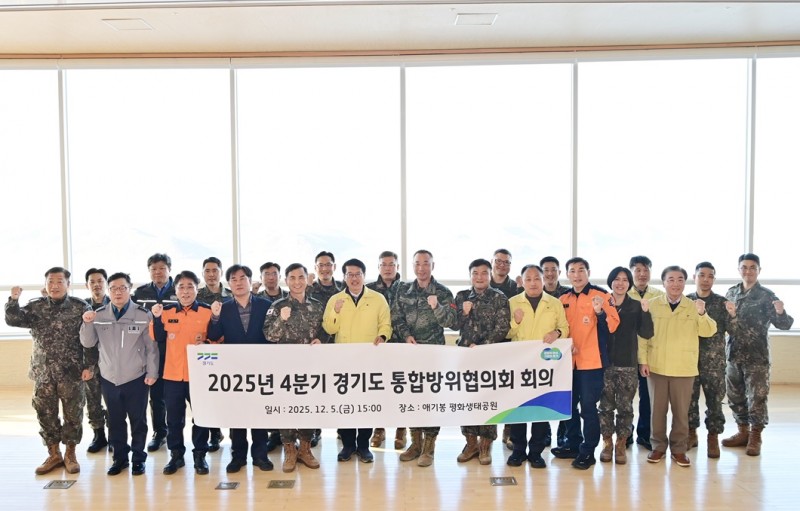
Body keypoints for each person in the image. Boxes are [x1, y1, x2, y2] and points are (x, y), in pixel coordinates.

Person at [5, 267, 92, 475]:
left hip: (71, 372)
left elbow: (90, 338)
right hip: (43, 372)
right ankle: (54, 454)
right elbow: (13, 320)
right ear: (45, 285)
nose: (55, 286)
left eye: (60, 281)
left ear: (68, 284)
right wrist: (13, 300)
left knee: (73, 414)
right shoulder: (36, 306)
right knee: (45, 413)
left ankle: (70, 454)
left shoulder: (80, 307)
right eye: (51, 282)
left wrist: (89, 366)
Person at [80, 272, 158, 476]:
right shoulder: (98, 315)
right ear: (108, 290)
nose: (117, 292)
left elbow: (151, 347)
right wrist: (87, 323)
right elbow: (88, 342)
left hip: (136, 378)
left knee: (138, 421)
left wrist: (152, 372)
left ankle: (138, 459)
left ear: (129, 289)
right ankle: (120, 459)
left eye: (122, 287)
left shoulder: (143, 315)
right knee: (115, 421)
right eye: (113, 288)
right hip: (109, 378)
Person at [640, 266, 716, 468]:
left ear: (685, 282)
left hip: (683, 368)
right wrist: (643, 360)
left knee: (681, 412)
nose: (675, 284)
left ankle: (679, 449)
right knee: (657, 411)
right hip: (657, 366)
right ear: (663, 282)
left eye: (680, 279)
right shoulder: (652, 305)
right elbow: (643, 336)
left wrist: (702, 313)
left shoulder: (693, 306)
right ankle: (658, 446)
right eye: (671, 279)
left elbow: (709, 331)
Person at [722, 253, 794, 456]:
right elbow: (726, 321)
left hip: (757, 356)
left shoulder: (767, 296)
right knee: (735, 396)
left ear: (759, 270)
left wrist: (780, 312)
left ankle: (755, 435)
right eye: (744, 267)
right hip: (734, 354)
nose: (748, 271)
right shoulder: (731, 292)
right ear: (739, 270)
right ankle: (742, 431)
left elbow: (784, 325)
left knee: (757, 397)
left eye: (752, 267)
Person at [552, 257, 620, 470]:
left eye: (581, 270)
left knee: (588, 408)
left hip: (592, 363)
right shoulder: (563, 298)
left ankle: (588, 451)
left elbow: (613, 325)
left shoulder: (602, 295)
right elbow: (556, 327)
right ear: (567, 275)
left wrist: (599, 312)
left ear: (588, 273)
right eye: (572, 271)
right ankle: (573, 444)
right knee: (568, 406)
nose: (577, 274)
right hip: (566, 363)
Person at [323, 258, 392, 464]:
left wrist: (383, 336)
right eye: (350, 275)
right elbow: (329, 328)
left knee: (366, 404)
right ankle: (347, 446)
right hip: (343, 362)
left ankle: (363, 446)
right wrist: (335, 311)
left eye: (358, 274)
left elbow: (386, 324)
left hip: (369, 360)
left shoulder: (377, 298)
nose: (354, 278)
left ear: (364, 275)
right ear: (344, 277)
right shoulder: (335, 299)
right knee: (345, 404)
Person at [392, 249, 457, 467]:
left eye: (426, 263)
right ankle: (415, 443)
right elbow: (396, 317)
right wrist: (406, 335)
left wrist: (436, 306)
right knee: (411, 399)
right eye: (417, 264)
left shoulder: (443, 292)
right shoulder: (403, 290)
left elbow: (452, 322)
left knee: (431, 400)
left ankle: (429, 447)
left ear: (433, 266)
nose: (421, 268)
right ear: (413, 266)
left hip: (433, 355)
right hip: (409, 354)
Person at [207, 264, 274, 473]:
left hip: (260, 369)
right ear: (229, 284)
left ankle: (260, 456)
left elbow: (272, 336)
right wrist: (215, 317)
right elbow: (214, 335)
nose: (238, 283)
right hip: (234, 371)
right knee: (236, 415)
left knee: (259, 413)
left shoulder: (266, 305)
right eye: (233, 279)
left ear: (250, 281)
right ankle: (238, 457)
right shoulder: (224, 308)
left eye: (242, 278)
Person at [150, 271, 215, 475]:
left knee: (201, 417)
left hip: (199, 375)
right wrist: (156, 317)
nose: (185, 292)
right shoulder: (167, 312)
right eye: (181, 287)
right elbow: (157, 336)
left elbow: (217, 339)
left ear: (197, 289)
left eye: (190, 287)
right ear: (175, 290)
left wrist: (206, 343)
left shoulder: (206, 312)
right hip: (172, 375)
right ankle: (176, 455)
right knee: (174, 420)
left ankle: (200, 455)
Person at [505, 264, 568, 468]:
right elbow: (505, 333)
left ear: (543, 281)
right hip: (519, 364)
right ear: (522, 282)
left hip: (545, 365)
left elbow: (565, 328)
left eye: (536, 279)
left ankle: (536, 452)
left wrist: (557, 333)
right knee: (518, 408)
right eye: (528, 279)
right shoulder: (513, 302)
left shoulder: (554, 303)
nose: (533, 283)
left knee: (541, 408)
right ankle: (518, 450)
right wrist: (515, 322)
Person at [263, 263, 324, 473]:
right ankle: (290, 450)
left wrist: (321, 339)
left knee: (309, 406)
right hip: (285, 369)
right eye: (292, 278)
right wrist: (282, 319)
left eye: (301, 277)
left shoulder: (317, 305)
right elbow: (270, 336)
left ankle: (305, 449)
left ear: (307, 279)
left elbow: (326, 331)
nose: (297, 282)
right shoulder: (277, 306)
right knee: (287, 407)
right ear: (286, 280)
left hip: (311, 368)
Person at [453, 258, 510, 465]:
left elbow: (502, 327)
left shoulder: (499, 297)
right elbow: (453, 324)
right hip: (465, 358)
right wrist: (464, 312)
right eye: (475, 273)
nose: (479, 277)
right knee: (467, 400)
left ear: (490, 275)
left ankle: (485, 445)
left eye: (484, 273)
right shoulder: (461, 296)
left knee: (488, 400)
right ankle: (470, 444)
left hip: (490, 358)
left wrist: (482, 347)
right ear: (470, 276)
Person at [598, 267, 653, 465]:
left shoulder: (636, 306)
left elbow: (647, 333)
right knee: (605, 407)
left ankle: (621, 443)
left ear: (629, 283)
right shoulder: (602, 303)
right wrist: (598, 313)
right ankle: (607, 443)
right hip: (604, 363)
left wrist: (645, 312)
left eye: (624, 280)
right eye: (616, 279)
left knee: (625, 408)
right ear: (610, 281)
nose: (620, 283)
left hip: (627, 364)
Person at [686, 262, 734, 458]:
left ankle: (713, 436)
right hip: (689, 359)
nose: (706, 280)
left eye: (710, 276)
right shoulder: (686, 301)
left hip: (714, 362)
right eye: (702, 275)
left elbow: (734, 331)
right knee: (689, 400)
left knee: (715, 400)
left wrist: (733, 315)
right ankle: (691, 433)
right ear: (694, 277)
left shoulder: (722, 303)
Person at [132, 253, 177, 452]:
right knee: (156, 396)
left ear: (169, 269)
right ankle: (160, 433)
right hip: (151, 352)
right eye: (154, 269)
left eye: (162, 268)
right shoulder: (140, 293)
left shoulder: (180, 290)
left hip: (176, 350)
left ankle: (190, 432)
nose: (158, 272)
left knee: (180, 395)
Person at [365, 250, 406, 450]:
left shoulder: (406, 289)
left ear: (397, 266)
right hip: (378, 346)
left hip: (401, 345)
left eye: (391, 264)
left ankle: (401, 429)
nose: (388, 268)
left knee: (401, 387)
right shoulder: (369, 289)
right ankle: (379, 429)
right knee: (378, 388)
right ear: (378, 267)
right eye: (384, 264)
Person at [627, 255, 664, 451]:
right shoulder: (622, 293)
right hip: (626, 353)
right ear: (631, 272)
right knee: (625, 397)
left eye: (646, 270)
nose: (642, 274)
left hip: (650, 355)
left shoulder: (659, 295)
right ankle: (625, 434)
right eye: (638, 270)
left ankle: (645, 435)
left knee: (648, 398)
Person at [195, 257, 228, 452]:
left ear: (221, 272)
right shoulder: (197, 296)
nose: (211, 274)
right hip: (205, 352)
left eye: (215, 270)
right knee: (208, 392)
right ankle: (214, 432)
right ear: (202, 274)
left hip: (227, 350)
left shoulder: (230, 295)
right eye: (207, 271)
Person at [490, 248, 519, 450]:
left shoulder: (516, 288)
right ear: (492, 262)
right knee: (489, 392)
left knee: (510, 392)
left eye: (506, 262)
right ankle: (488, 435)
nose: (502, 265)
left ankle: (509, 432)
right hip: (487, 348)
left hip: (510, 346)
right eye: (498, 261)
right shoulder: (482, 283)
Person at [539, 255, 570, 448]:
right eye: (546, 270)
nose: (550, 273)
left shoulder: (568, 293)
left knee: (563, 395)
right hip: (540, 355)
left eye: (553, 270)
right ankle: (544, 434)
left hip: (564, 354)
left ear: (559, 272)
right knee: (543, 394)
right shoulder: (535, 293)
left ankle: (563, 435)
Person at [83, 268, 110, 454]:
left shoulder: (114, 305)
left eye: (100, 281)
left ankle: (116, 435)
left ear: (106, 283)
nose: (96, 285)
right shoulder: (82, 307)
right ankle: (99, 435)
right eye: (92, 282)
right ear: (87, 285)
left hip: (111, 360)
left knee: (113, 400)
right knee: (92, 400)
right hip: (90, 362)